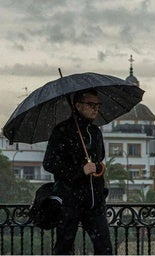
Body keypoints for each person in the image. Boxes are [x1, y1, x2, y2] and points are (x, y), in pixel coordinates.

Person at [43, 89, 112, 255]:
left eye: (98, 105)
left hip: (94, 202)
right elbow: (49, 163)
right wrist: (79, 170)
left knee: (104, 247)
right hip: (69, 202)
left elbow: (99, 159)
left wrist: (98, 169)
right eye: (91, 104)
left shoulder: (95, 132)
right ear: (78, 106)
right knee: (64, 247)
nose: (95, 109)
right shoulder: (62, 131)